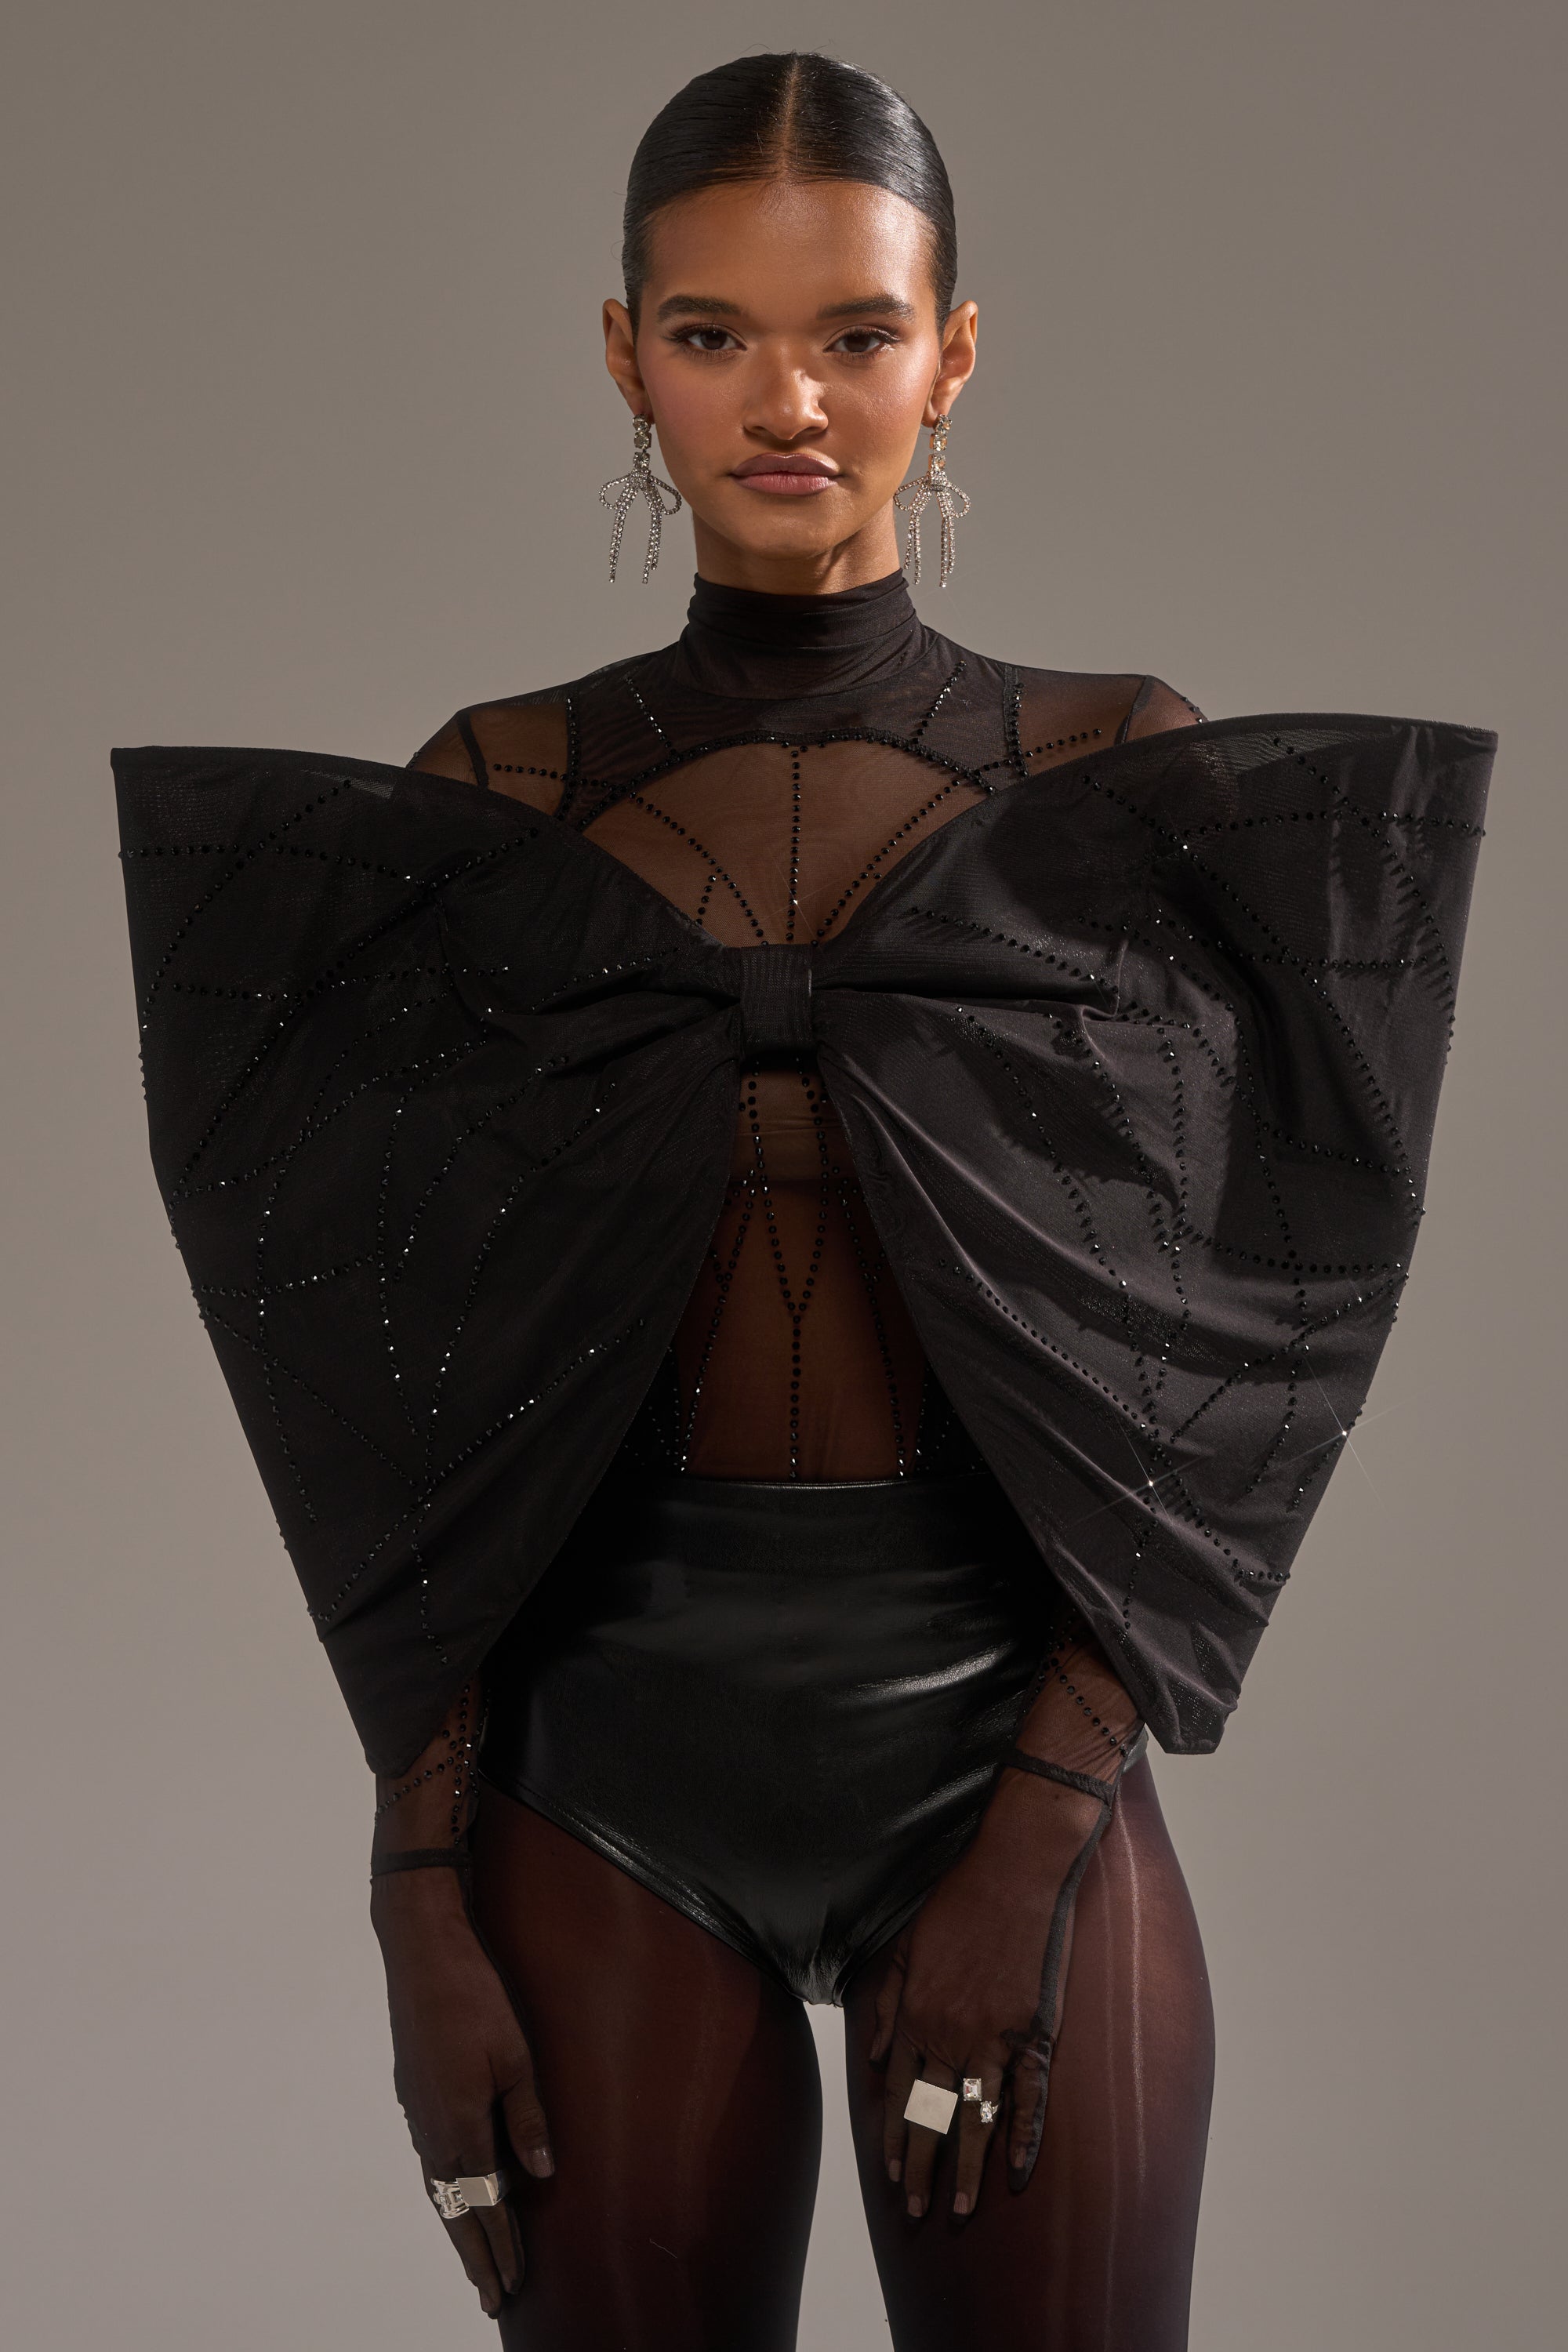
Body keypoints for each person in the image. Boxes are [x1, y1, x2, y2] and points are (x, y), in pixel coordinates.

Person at [113, 51, 1491, 2352]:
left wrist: (1035, 1835)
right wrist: (415, 1891)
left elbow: (1223, 1380)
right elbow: (405, 1423)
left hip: (1016, 1736)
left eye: (858, 332)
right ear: (625, 354)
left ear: (955, 354)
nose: (789, 401)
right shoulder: (505, 790)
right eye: (714, 333)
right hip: (591, 1763)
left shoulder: (1113, 773)